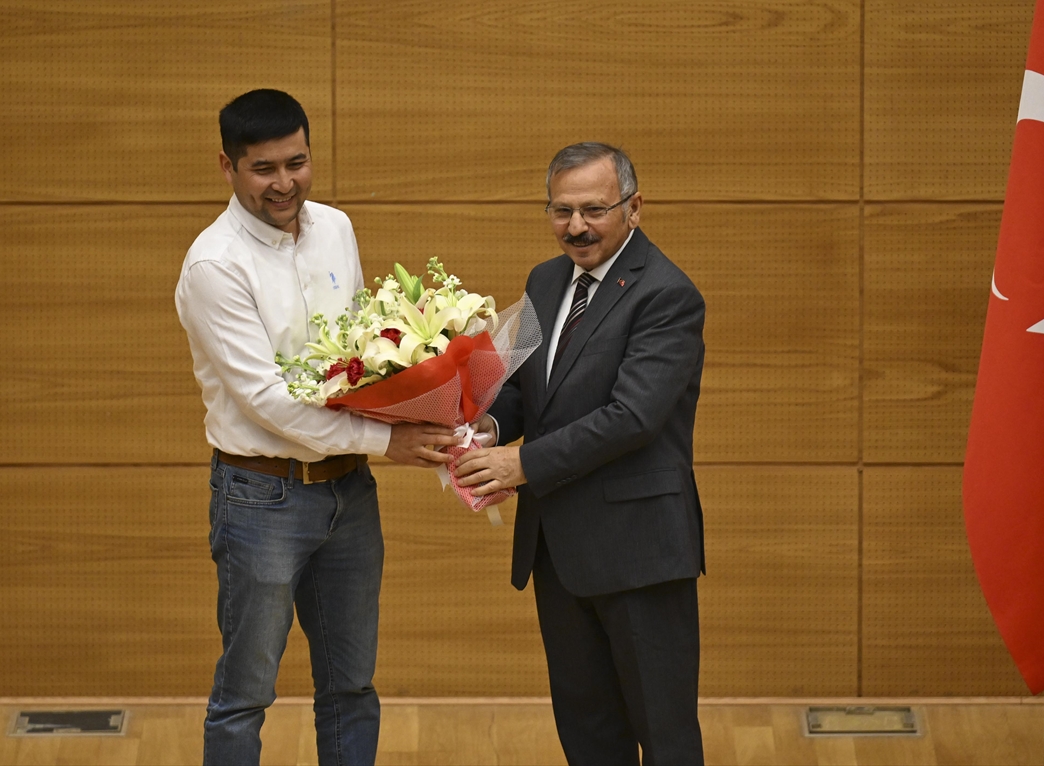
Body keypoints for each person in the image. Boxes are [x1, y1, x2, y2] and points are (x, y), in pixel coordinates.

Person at [175, 88, 458, 766]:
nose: (285, 183)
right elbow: (269, 403)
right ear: (228, 167)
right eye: (263, 168)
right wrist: (391, 441)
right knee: (246, 695)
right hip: (259, 498)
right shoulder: (214, 266)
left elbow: (357, 358)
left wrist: (429, 395)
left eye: (296, 163)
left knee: (351, 686)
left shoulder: (335, 227)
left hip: (348, 494)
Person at [455, 142, 707, 765]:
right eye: (561, 211)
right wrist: (487, 427)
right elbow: (527, 391)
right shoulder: (546, 279)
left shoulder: (668, 296)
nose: (576, 227)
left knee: (666, 737)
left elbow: (633, 417)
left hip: (639, 551)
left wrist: (521, 464)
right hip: (560, 551)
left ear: (634, 208)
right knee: (588, 734)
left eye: (594, 210)